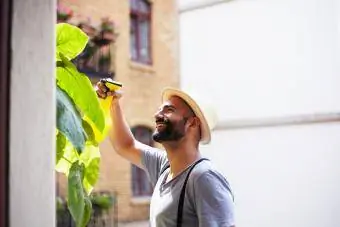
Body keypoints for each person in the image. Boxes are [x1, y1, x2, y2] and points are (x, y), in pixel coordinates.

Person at [96, 80, 235, 227]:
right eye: (160, 109)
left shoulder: (204, 178)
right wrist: (112, 102)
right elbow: (125, 145)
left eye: (169, 110)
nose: (157, 115)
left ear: (193, 123)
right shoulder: (165, 166)